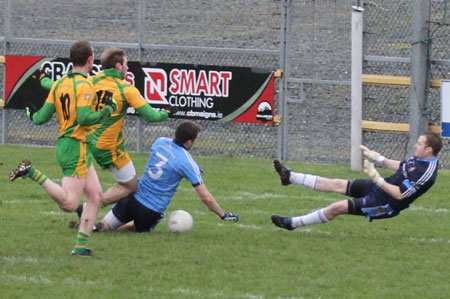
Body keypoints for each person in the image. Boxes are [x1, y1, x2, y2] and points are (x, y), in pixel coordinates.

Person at [10, 40, 117, 256]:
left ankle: (80, 248)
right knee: (69, 204)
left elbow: (40, 118)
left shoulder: (60, 84)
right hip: (75, 147)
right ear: (89, 60)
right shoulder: (85, 84)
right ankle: (31, 171)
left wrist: (30, 113)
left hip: (75, 146)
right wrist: (107, 110)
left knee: (96, 197)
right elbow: (85, 118)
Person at [36, 48, 172, 207]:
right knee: (131, 186)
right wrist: (167, 112)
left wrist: (42, 78)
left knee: (90, 186)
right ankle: (88, 207)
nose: (128, 68)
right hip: (109, 147)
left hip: (88, 142)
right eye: (126, 64)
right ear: (119, 67)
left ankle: (90, 211)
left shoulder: (90, 81)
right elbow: (151, 116)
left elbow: (57, 85)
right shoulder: (125, 88)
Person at [85, 120, 239, 232]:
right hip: (151, 210)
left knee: (107, 225)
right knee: (134, 229)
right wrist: (222, 214)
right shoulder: (186, 162)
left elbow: (167, 161)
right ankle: (125, 227)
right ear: (189, 142)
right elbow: (205, 197)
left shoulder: (160, 142)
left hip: (132, 197)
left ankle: (96, 224)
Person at [271, 131, 442, 230]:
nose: (415, 145)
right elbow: (403, 166)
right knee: (336, 183)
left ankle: (292, 223)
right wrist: (379, 158)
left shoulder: (426, 172)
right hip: (380, 188)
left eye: (419, 144)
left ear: (428, 149)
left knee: (337, 207)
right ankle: (290, 177)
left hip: (386, 204)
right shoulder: (420, 158)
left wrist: (377, 178)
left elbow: (399, 195)